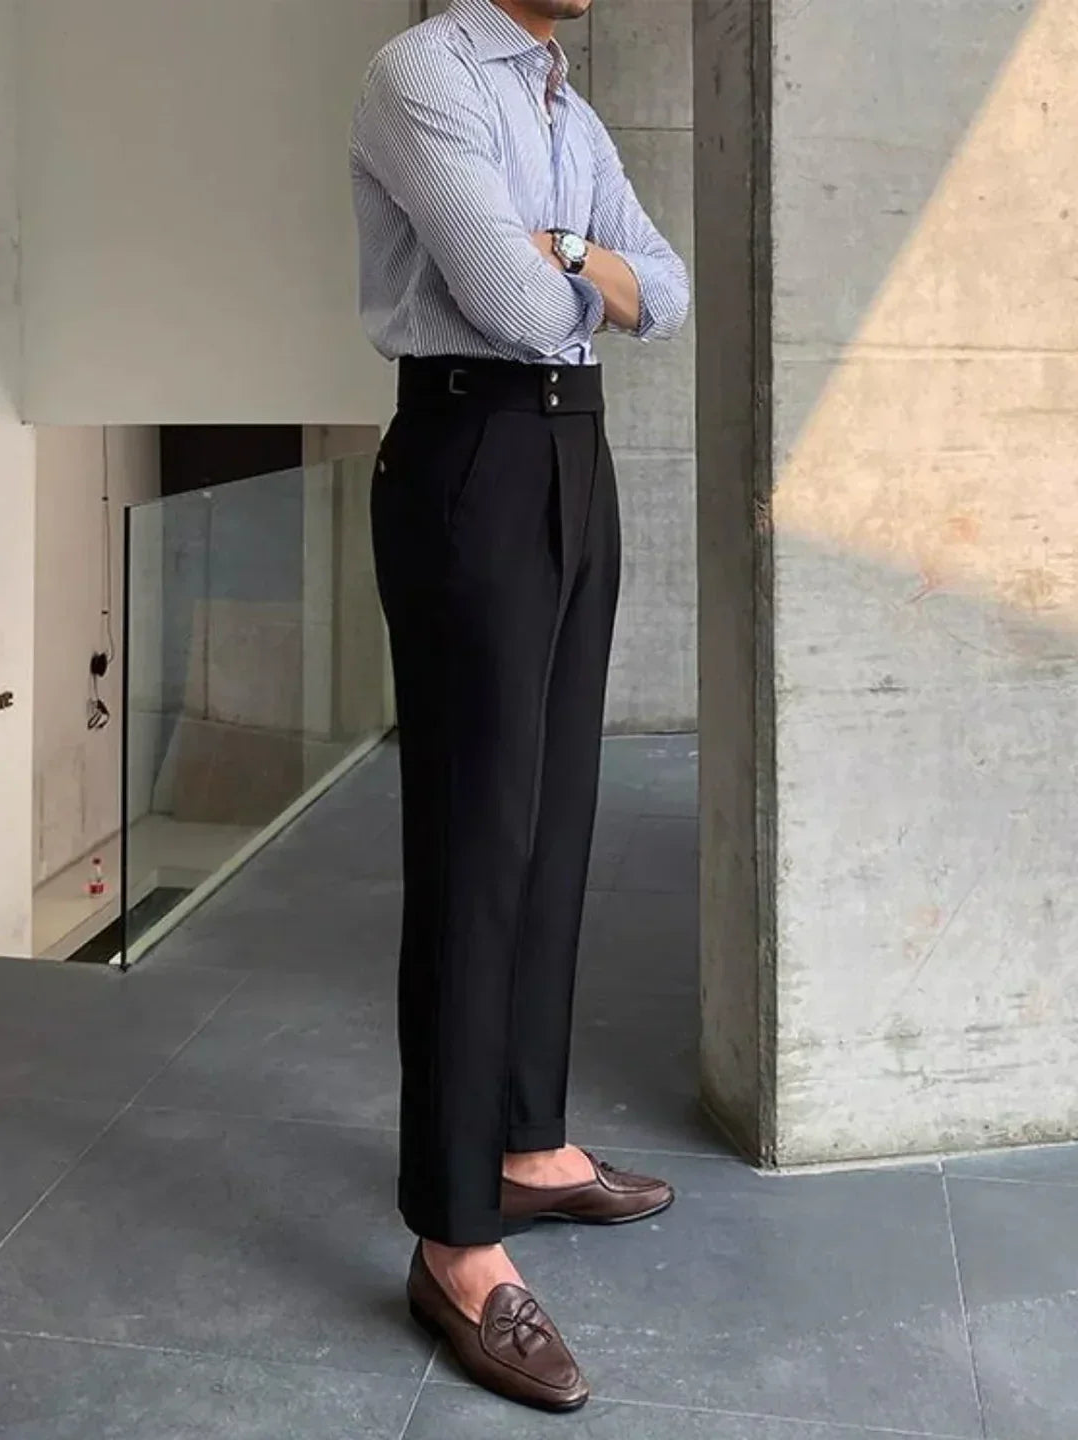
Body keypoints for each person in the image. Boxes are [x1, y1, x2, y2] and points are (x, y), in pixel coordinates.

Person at [350, 0, 690, 1412]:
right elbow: (515, 305)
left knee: (554, 827)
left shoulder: (566, 103)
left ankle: (529, 1145)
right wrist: (578, 268)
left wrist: (574, 255)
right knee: (475, 844)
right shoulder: (423, 73)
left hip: (572, 460)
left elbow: (667, 289)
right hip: (469, 453)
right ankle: (454, 1237)